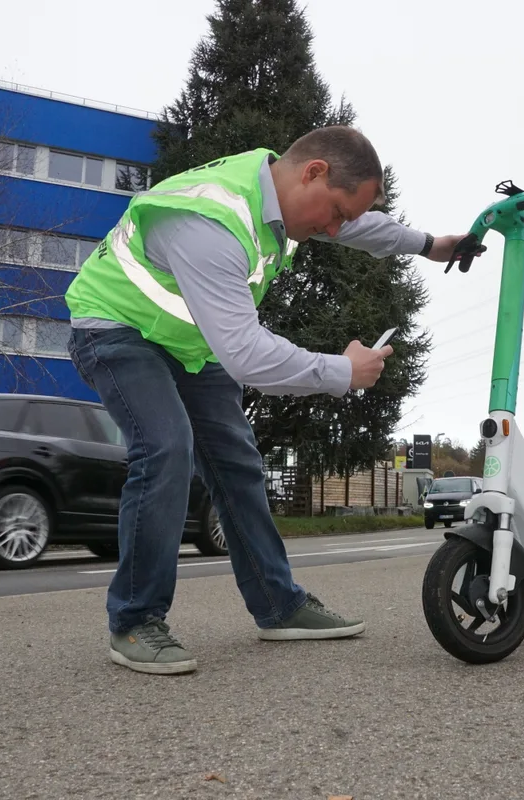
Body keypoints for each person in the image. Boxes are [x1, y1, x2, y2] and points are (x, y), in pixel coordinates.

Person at [64, 125, 471, 675]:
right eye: (332, 212)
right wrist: (342, 372)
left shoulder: (277, 193)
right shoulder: (211, 223)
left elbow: (358, 224)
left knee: (237, 464)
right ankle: (135, 621)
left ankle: (279, 607)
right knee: (166, 448)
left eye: (340, 221)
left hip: (185, 343)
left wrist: (429, 245)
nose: (331, 229)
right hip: (114, 327)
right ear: (314, 172)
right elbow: (249, 357)